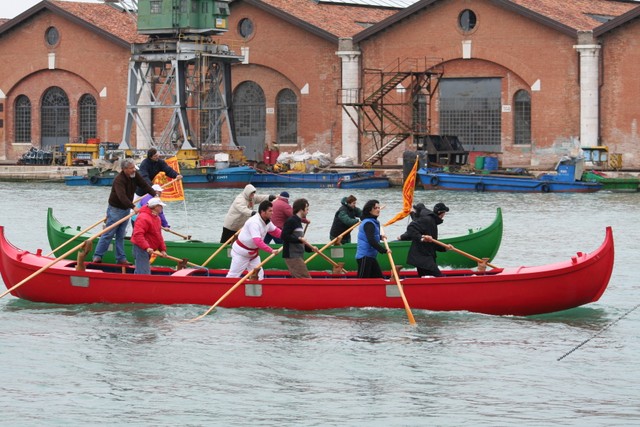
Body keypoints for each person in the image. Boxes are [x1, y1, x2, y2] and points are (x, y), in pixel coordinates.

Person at [92, 158, 157, 264]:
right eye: (131, 168)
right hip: (115, 209)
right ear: (124, 169)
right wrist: (133, 207)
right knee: (108, 233)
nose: (134, 170)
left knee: (120, 235)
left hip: (125, 209)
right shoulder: (119, 180)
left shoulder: (135, 176)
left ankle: (121, 258)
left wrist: (154, 194)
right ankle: (98, 256)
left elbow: (144, 185)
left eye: (134, 168)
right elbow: (122, 197)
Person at [226, 200, 282, 280]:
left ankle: (253, 291)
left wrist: (290, 236)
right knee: (233, 276)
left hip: (253, 255)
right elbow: (258, 241)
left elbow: (276, 232)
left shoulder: (267, 221)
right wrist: (271, 250)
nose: (272, 213)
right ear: (263, 212)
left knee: (259, 277)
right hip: (241, 254)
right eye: (270, 211)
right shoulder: (254, 222)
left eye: (272, 211)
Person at [398, 202, 451, 277]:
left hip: (425, 256)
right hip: (422, 257)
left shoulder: (432, 221)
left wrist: (445, 247)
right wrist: (422, 237)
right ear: (441, 213)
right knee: (439, 277)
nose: (444, 215)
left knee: (424, 278)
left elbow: (432, 242)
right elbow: (411, 227)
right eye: (444, 213)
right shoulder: (428, 220)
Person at [281, 198, 318, 278]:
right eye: (307, 209)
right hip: (292, 256)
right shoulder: (291, 220)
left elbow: (300, 241)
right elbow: (284, 236)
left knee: (299, 279)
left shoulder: (298, 221)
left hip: (298, 255)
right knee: (306, 279)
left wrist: (311, 249)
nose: (308, 211)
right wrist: (298, 239)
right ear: (301, 209)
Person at [131, 197, 168, 274]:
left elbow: (158, 235)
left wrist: (162, 249)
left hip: (148, 248)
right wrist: (146, 247)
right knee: (144, 273)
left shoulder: (157, 218)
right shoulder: (143, 217)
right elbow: (138, 235)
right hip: (141, 248)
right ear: (155, 207)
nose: (162, 208)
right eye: (160, 206)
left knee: (140, 271)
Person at [355, 199, 390, 278]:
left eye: (378, 208)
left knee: (379, 278)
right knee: (362, 281)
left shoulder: (372, 222)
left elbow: (371, 235)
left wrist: (380, 237)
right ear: (369, 210)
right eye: (375, 208)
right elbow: (371, 241)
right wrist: (384, 250)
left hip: (370, 256)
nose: (378, 210)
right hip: (365, 257)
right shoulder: (369, 223)